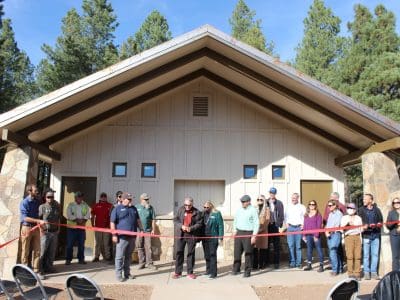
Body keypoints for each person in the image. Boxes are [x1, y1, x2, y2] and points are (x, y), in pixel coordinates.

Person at [110, 192, 142, 282]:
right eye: (129, 199)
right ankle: (119, 275)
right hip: (122, 237)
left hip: (132, 236)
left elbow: (138, 220)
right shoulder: (117, 209)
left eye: (131, 199)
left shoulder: (133, 208)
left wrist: (142, 229)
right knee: (119, 257)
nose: (131, 200)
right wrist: (114, 235)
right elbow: (112, 222)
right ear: (123, 199)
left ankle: (127, 273)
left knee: (128, 256)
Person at [172, 197, 203, 279]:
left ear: (192, 204)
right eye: (185, 205)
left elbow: (199, 224)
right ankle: (178, 272)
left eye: (189, 205)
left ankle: (190, 272)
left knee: (191, 254)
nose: (187, 207)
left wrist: (191, 228)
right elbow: (175, 220)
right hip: (181, 234)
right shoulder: (180, 210)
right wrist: (181, 226)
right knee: (179, 253)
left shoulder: (197, 212)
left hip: (191, 235)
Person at [19, 184, 45, 277]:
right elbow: (24, 218)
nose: (37, 191)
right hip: (27, 228)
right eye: (35, 190)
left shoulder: (37, 202)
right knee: (25, 250)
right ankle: (25, 272)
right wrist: (38, 221)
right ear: (29, 191)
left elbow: (37, 216)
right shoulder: (24, 202)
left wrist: (41, 227)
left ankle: (36, 271)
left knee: (37, 250)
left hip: (36, 228)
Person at [232, 195, 259, 278]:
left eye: (244, 202)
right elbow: (235, 220)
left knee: (248, 253)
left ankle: (247, 271)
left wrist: (254, 236)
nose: (242, 203)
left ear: (248, 202)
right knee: (237, 252)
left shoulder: (253, 210)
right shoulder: (239, 210)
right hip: (239, 232)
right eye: (242, 202)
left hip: (248, 232)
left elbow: (256, 223)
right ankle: (236, 268)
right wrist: (234, 231)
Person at [358, 193, 383, 280]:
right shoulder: (361, 210)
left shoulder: (377, 210)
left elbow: (381, 221)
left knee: (375, 255)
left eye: (365, 199)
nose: (363, 200)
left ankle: (374, 272)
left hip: (375, 235)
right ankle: (366, 273)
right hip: (366, 235)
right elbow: (359, 222)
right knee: (366, 255)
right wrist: (365, 226)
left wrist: (379, 224)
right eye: (363, 199)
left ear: (371, 200)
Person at [38, 189, 60, 279]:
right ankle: (40, 269)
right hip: (45, 232)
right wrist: (41, 230)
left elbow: (58, 218)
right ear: (45, 198)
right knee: (43, 252)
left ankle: (49, 267)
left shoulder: (57, 206)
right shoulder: (42, 207)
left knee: (52, 252)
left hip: (54, 232)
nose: (50, 198)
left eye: (52, 197)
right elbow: (38, 220)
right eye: (48, 197)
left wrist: (59, 229)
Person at [65, 191, 91, 265]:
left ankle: (81, 259)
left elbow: (88, 214)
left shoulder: (85, 205)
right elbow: (69, 215)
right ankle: (68, 259)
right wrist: (77, 220)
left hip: (81, 228)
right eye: (78, 197)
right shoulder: (70, 205)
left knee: (81, 245)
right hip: (71, 228)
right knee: (70, 245)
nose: (80, 198)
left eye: (81, 197)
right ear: (75, 198)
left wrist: (83, 220)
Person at [340, 202, 363, 280]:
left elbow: (361, 229)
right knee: (350, 256)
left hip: (357, 237)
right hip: (348, 237)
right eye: (348, 208)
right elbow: (341, 229)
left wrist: (364, 227)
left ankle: (357, 273)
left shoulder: (358, 218)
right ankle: (350, 273)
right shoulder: (344, 218)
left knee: (358, 256)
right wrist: (348, 225)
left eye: (351, 208)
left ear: (355, 210)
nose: (350, 209)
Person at [202, 201, 224, 279]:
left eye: (207, 207)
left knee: (212, 254)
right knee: (206, 255)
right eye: (204, 207)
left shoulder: (217, 213)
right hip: (205, 238)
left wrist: (220, 237)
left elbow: (220, 225)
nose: (206, 209)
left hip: (213, 237)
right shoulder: (203, 214)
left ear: (211, 207)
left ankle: (213, 273)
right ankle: (208, 270)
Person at [135, 193, 157, 270]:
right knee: (139, 246)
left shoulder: (150, 208)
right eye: (146, 199)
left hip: (148, 231)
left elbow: (153, 220)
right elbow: (134, 219)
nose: (147, 200)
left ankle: (150, 263)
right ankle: (142, 263)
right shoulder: (136, 207)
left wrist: (153, 230)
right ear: (141, 199)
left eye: (148, 199)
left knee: (148, 247)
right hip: (139, 231)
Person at [285, 193, 306, 269]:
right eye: (292, 197)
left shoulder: (302, 207)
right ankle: (292, 262)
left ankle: (298, 263)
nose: (293, 199)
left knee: (298, 246)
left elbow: (305, 217)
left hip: (298, 228)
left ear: (298, 198)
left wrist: (303, 225)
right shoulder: (288, 206)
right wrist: (286, 224)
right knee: (290, 246)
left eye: (295, 198)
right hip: (290, 227)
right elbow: (285, 216)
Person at [302, 200, 324, 272]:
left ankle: (321, 265)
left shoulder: (318, 215)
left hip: (316, 235)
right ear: (308, 205)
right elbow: (305, 225)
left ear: (315, 205)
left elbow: (319, 226)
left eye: (313, 204)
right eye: (310, 204)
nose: (311, 205)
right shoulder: (306, 214)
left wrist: (316, 236)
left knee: (319, 250)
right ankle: (309, 265)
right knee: (309, 250)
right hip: (308, 235)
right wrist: (304, 235)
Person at [91, 192, 113, 262]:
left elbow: (113, 216)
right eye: (102, 196)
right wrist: (92, 224)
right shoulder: (96, 205)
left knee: (106, 243)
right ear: (100, 197)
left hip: (107, 227)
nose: (103, 197)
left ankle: (107, 256)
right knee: (98, 243)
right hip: (98, 227)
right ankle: (96, 256)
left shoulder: (110, 205)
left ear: (106, 197)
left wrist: (111, 226)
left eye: (104, 196)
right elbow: (92, 215)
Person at [266, 187, 284, 269]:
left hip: (275, 226)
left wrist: (279, 226)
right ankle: (267, 262)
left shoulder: (279, 203)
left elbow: (281, 215)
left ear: (275, 194)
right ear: (269, 193)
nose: (272, 194)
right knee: (267, 245)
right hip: (267, 226)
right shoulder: (265, 202)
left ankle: (276, 263)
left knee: (276, 245)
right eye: (270, 193)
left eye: (273, 193)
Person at [325, 199, 343, 276]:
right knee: (334, 252)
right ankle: (340, 268)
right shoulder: (330, 214)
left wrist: (328, 231)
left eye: (330, 205)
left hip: (335, 233)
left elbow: (336, 224)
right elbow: (328, 224)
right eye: (328, 205)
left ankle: (335, 270)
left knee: (333, 251)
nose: (329, 207)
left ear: (335, 205)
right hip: (329, 234)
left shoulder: (339, 214)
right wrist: (326, 231)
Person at [253, 195, 270, 270]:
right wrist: (255, 229)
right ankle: (254, 265)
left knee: (262, 249)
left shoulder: (267, 209)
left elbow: (267, 220)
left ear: (264, 201)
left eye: (261, 199)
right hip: (255, 231)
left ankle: (261, 264)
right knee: (254, 249)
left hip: (263, 231)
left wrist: (260, 229)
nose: (259, 200)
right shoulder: (254, 209)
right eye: (258, 199)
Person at [386, 197, 400, 271]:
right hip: (395, 235)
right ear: (393, 204)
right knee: (395, 256)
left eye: (398, 202)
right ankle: (395, 273)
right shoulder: (391, 213)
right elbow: (388, 225)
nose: (397, 204)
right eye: (395, 203)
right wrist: (395, 222)